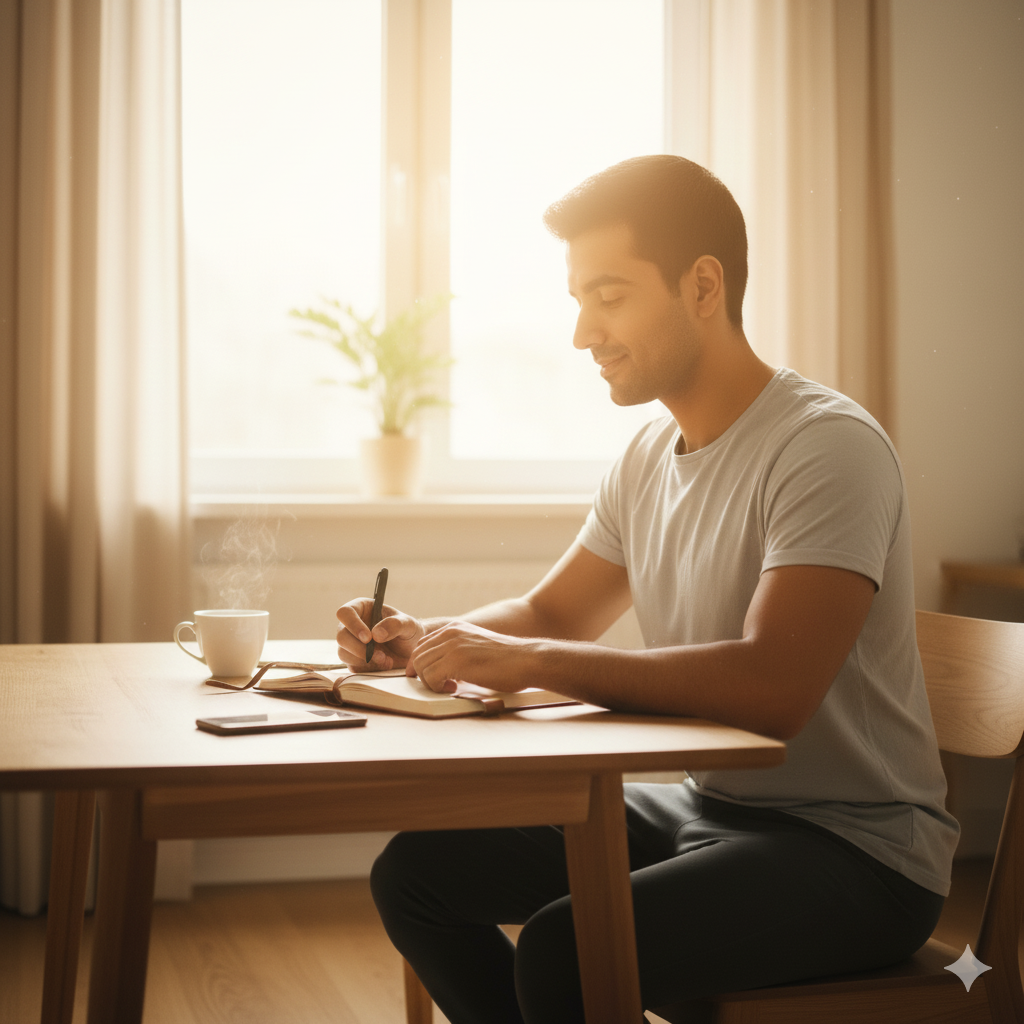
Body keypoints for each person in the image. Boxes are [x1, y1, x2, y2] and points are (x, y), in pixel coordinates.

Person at [335, 155, 958, 1024]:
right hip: (711, 808)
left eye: (610, 295)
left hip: (856, 853)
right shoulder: (645, 456)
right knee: (416, 876)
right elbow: (554, 614)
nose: (584, 333)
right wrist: (433, 639)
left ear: (703, 285)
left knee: (564, 951)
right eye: (578, 301)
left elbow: (773, 689)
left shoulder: (826, 447)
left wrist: (528, 660)